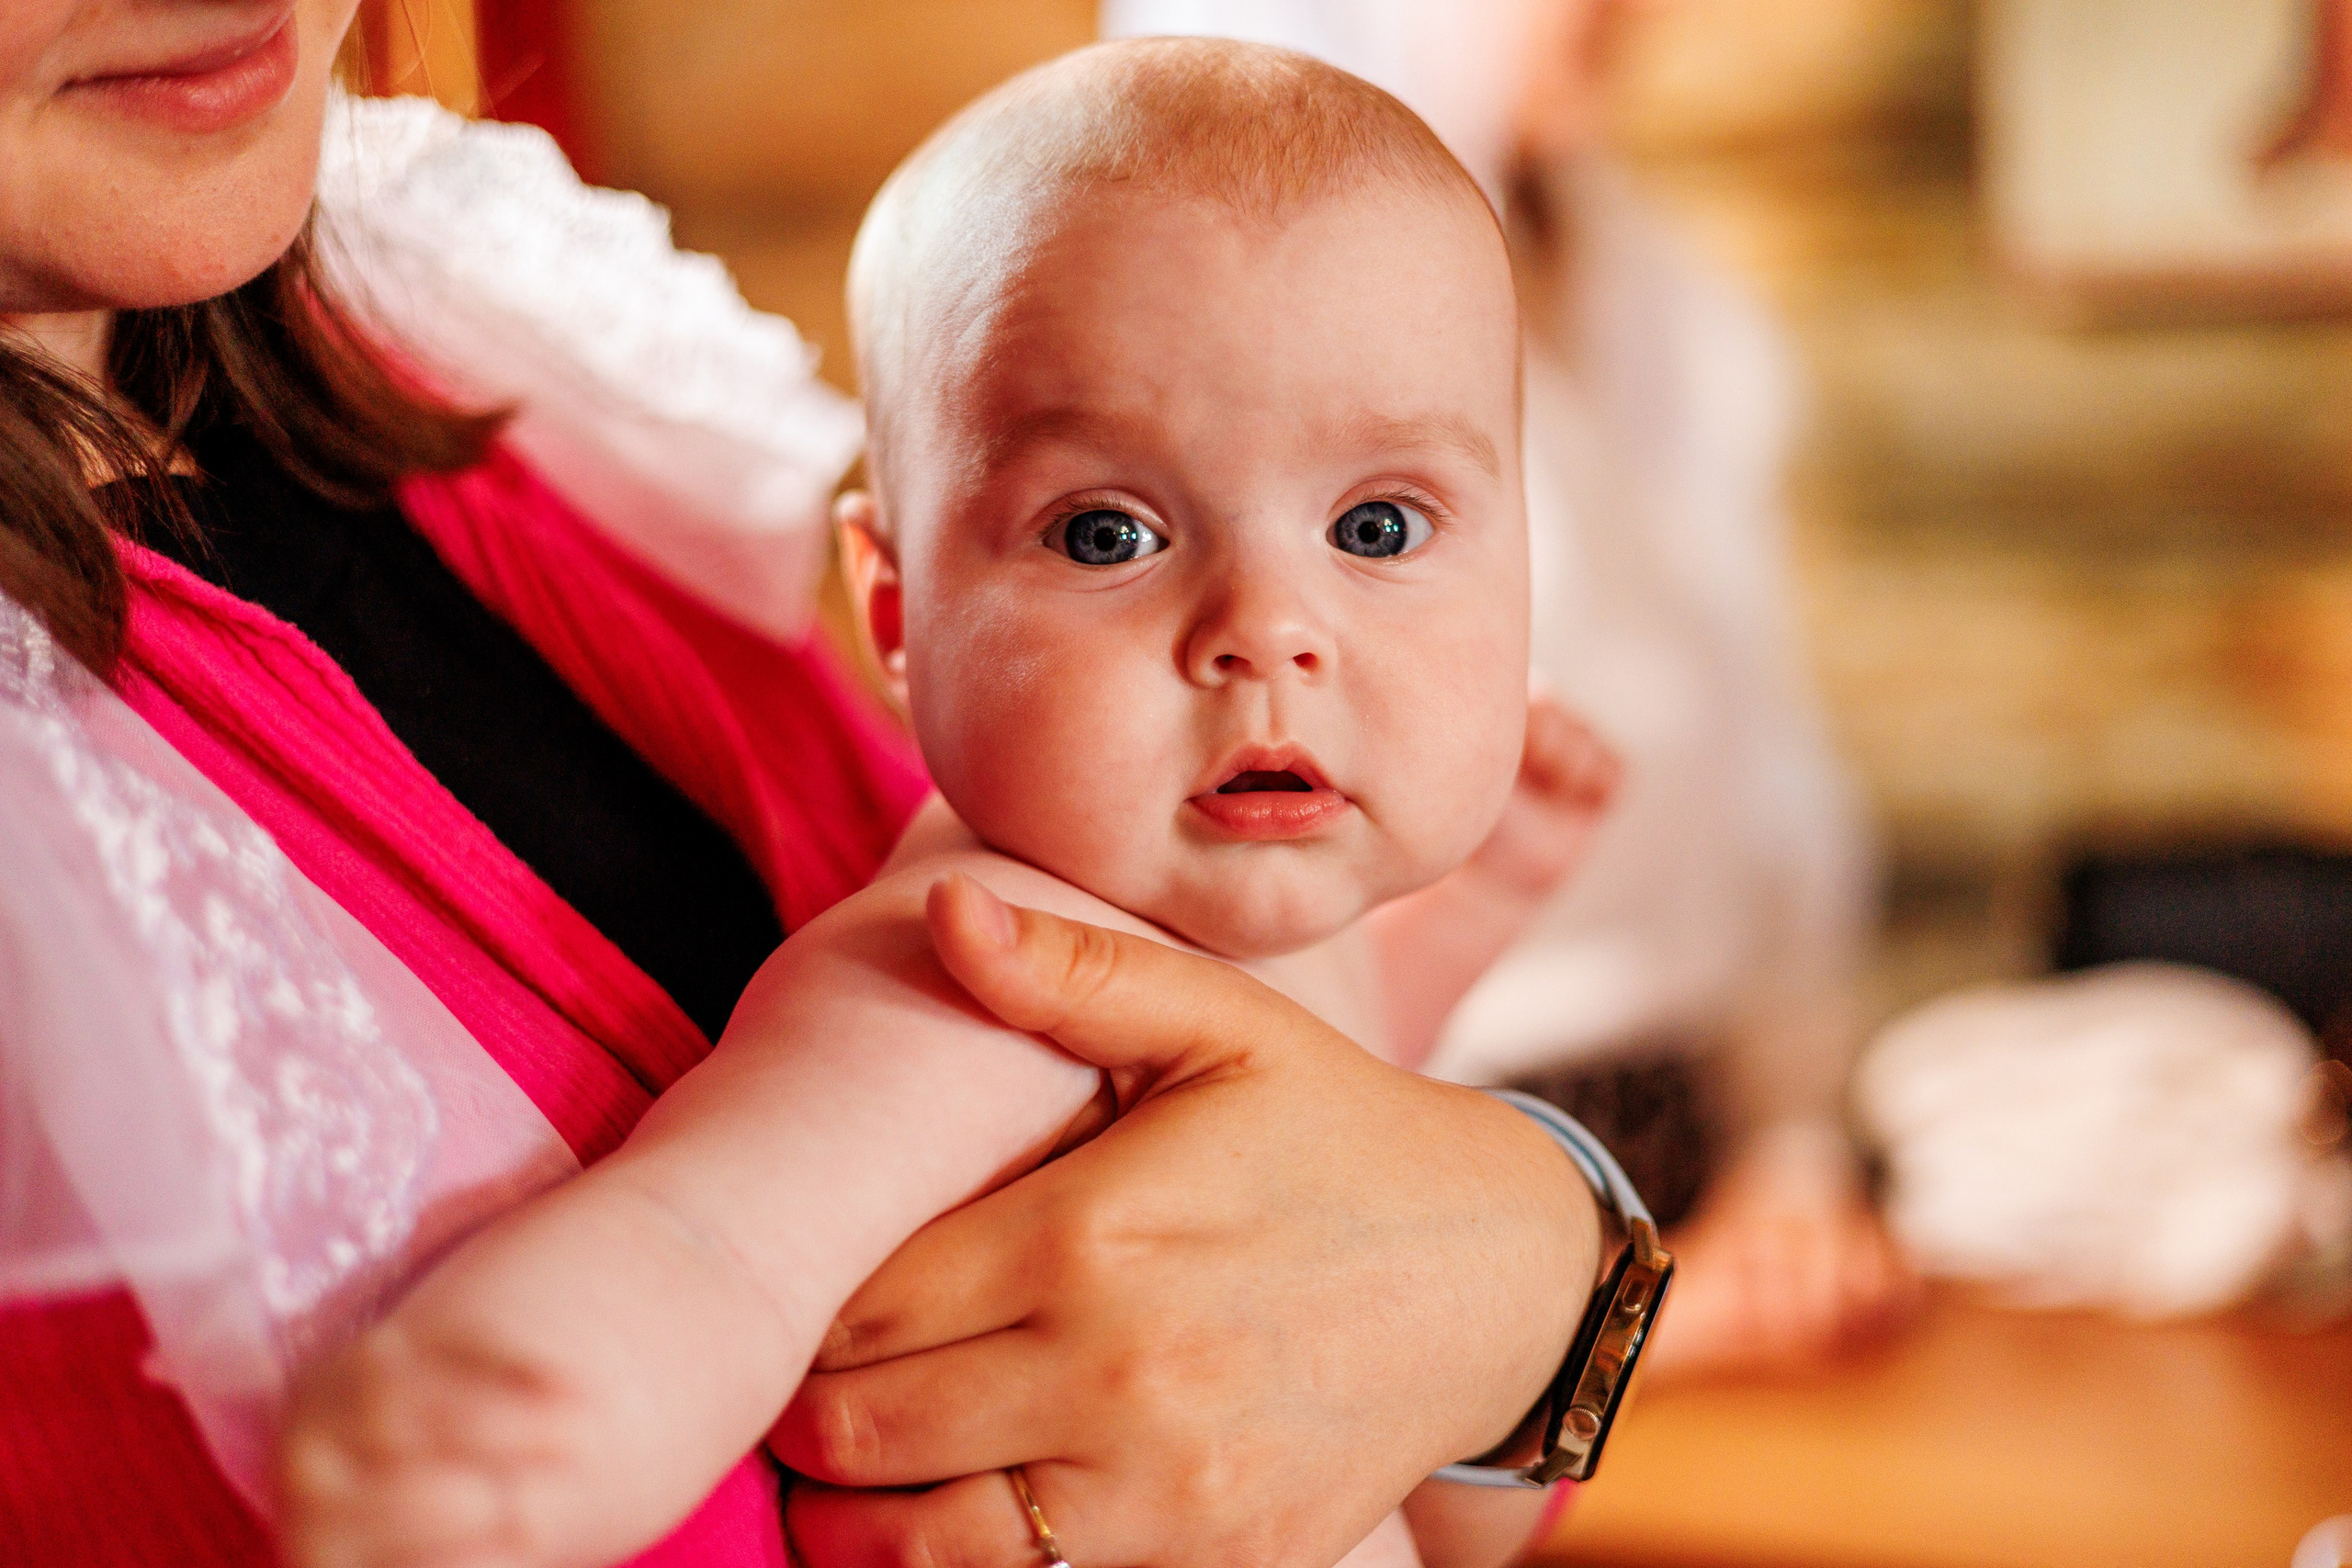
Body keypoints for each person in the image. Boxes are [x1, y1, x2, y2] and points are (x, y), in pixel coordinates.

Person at [0, 5, 1608, 1566]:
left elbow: (1344, 1171)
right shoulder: (974, 969)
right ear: (897, 613)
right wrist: (497, 1423)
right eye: (1109, 536)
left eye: (1379, 531)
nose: (1271, 635)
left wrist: (1513, 1149)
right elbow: (712, 1246)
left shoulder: (467, 357)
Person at [1103, 0, 1917, 1377]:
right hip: (1413, 1201)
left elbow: (1766, 760)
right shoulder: (1248, 316)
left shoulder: (1659, 298)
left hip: (1694, 1157)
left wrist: (1794, 1147)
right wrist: (1583, 1326)